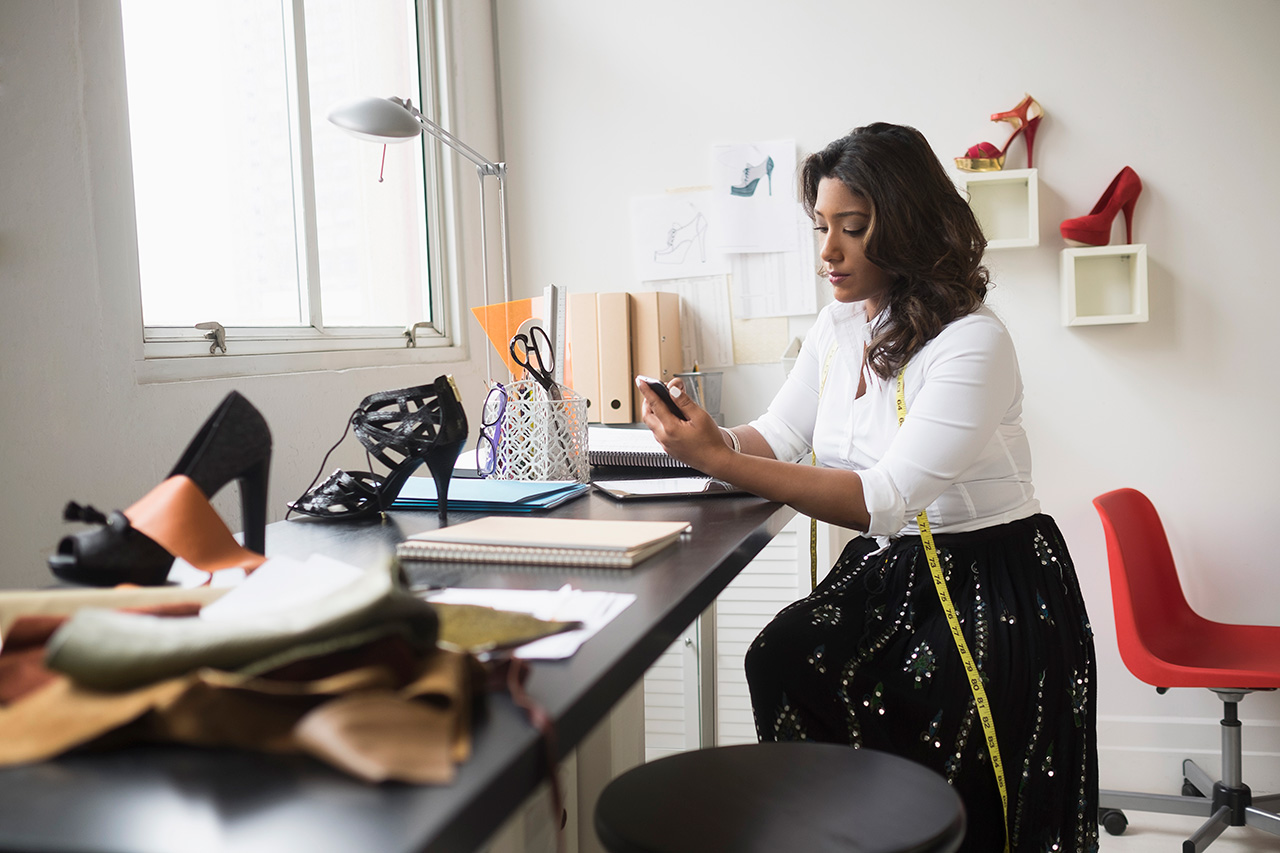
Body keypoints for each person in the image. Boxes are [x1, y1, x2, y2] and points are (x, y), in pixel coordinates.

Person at [635, 123, 1098, 853]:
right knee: (780, 657)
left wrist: (721, 462)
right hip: (897, 571)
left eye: (852, 228)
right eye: (821, 226)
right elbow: (777, 436)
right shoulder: (838, 325)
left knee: (969, 789)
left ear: (909, 225)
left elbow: (884, 497)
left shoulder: (974, 342)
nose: (827, 251)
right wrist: (704, 438)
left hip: (991, 583)